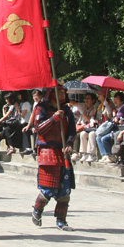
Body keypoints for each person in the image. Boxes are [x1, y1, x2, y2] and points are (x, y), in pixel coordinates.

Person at [31, 85, 77, 231]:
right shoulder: (41, 108)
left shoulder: (67, 110)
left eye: (64, 92)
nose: (62, 94)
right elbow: (39, 129)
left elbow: (72, 130)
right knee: (48, 188)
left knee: (65, 190)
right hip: (48, 150)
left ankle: (61, 221)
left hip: (62, 151)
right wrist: (54, 118)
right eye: (59, 92)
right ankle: (37, 209)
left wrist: (69, 143)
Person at [96, 91, 124, 162]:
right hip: (113, 129)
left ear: (122, 100)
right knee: (98, 137)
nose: (114, 101)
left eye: (117, 99)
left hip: (118, 129)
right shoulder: (117, 109)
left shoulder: (123, 108)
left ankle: (110, 156)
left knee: (104, 138)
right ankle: (104, 155)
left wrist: (114, 115)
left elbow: (116, 120)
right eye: (114, 99)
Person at [76, 92, 101, 163]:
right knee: (83, 134)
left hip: (94, 128)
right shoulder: (85, 108)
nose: (86, 100)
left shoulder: (95, 108)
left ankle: (92, 154)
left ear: (93, 100)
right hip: (86, 128)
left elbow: (89, 119)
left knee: (91, 134)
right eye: (85, 98)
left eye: (88, 99)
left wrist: (82, 112)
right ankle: (84, 153)